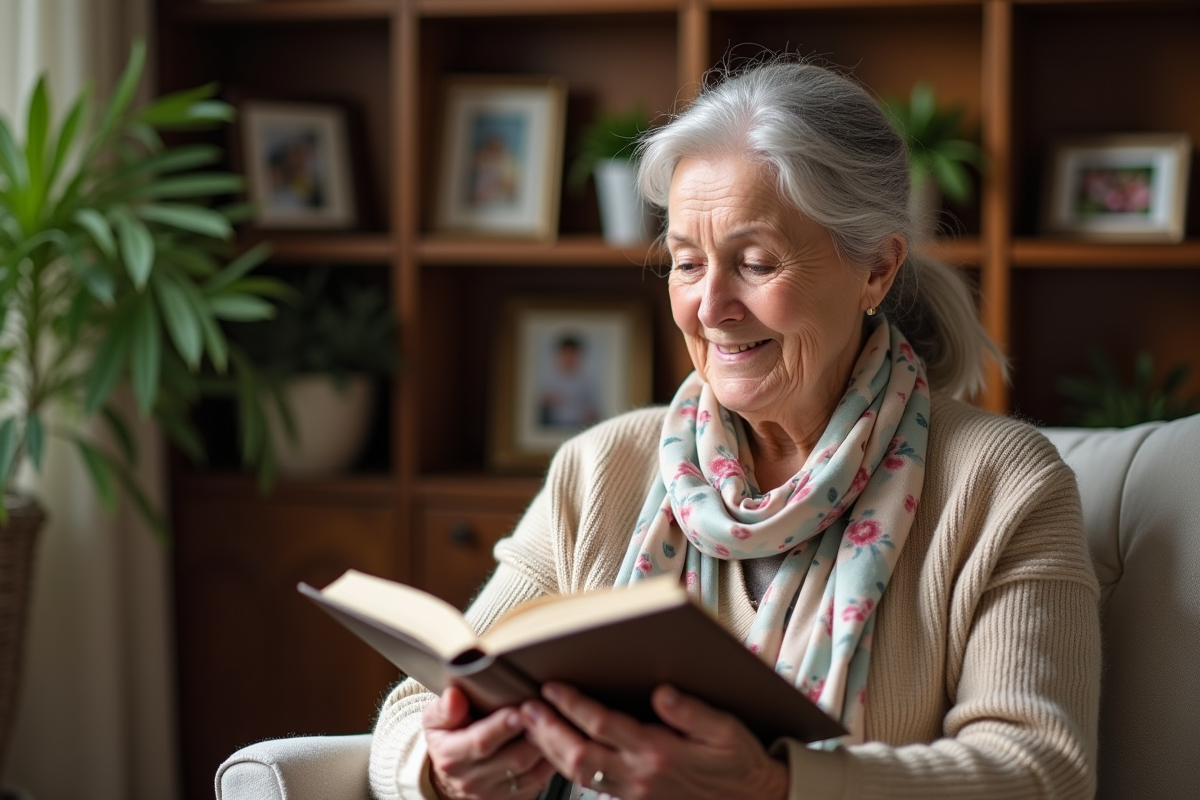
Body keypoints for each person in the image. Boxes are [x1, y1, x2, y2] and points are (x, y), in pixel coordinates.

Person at [370, 60, 1100, 800]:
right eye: (687, 263)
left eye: (755, 263)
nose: (710, 307)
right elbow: (416, 707)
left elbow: (1043, 771)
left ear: (876, 269)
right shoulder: (601, 467)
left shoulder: (1002, 482)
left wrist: (771, 786)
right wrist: (440, 765)